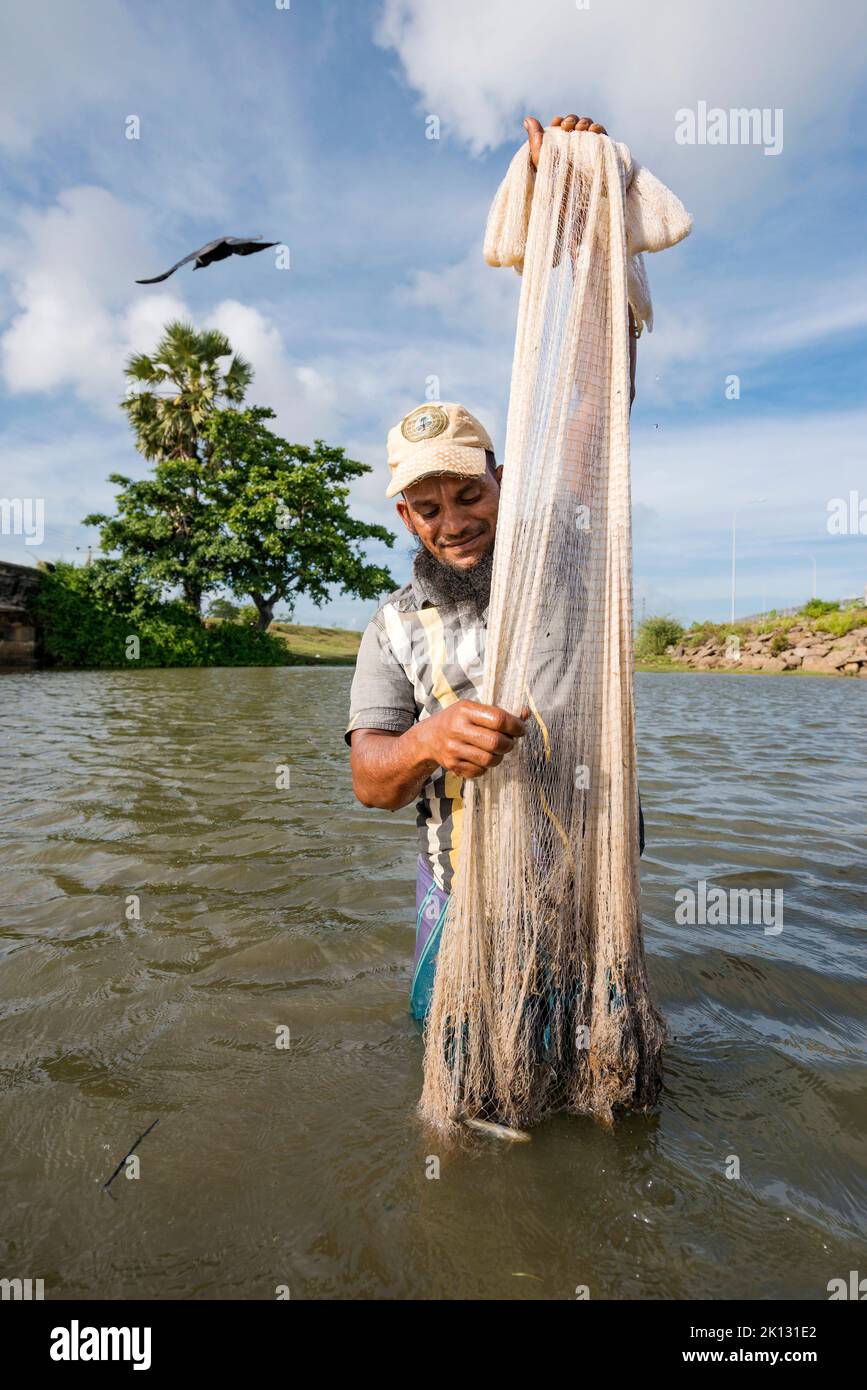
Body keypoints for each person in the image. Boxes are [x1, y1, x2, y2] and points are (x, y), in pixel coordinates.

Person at [345, 114, 643, 1021]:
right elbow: (371, 782)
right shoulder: (392, 626)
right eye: (428, 509)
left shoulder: (563, 558)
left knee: (608, 1094)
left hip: (589, 884)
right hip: (463, 897)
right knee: (465, 1108)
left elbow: (597, 400)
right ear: (405, 516)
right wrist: (432, 741)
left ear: (502, 484)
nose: (454, 523)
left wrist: (579, 205)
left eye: (468, 497)